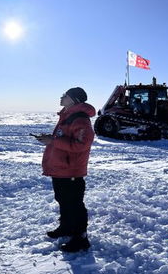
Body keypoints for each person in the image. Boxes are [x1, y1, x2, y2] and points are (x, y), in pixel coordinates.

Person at [34, 87, 96, 252]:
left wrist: (53, 141)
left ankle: (80, 238)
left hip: (71, 171)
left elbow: (82, 144)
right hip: (61, 169)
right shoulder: (67, 116)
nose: (61, 97)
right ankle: (66, 227)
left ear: (74, 99)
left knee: (74, 204)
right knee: (63, 200)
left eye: (65, 95)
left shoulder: (80, 119)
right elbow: (63, 138)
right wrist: (51, 139)